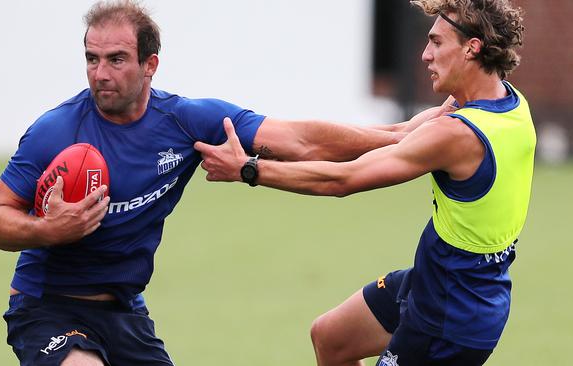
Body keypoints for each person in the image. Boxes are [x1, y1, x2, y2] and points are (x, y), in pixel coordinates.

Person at [0, 1, 452, 365]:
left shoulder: (185, 121)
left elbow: (300, 141)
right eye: (92, 59)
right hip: (47, 308)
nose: (101, 74)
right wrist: (48, 230)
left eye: (117, 59)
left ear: (150, 65)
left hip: (123, 312)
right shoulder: (56, 131)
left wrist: (399, 134)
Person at [195, 0, 535, 365]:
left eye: (436, 42)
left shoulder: (459, 134)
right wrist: (285, 147)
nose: (425, 55)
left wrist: (249, 170)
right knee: (330, 338)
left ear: (472, 47)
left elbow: (346, 178)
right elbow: (399, 134)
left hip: (452, 315)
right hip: (435, 281)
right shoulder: (504, 101)